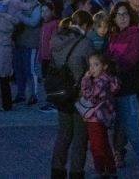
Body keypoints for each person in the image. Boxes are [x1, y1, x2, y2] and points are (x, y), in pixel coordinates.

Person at [106, 1, 139, 178]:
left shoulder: (136, 34)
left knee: (133, 131)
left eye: (125, 14)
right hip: (112, 89)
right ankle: (112, 162)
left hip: (127, 89)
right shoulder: (112, 35)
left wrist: (110, 66)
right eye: (118, 14)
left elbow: (130, 60)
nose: (122, 17)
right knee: (116, 128)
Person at [50, 10, 95, 179]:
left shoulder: (57, 38)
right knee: (79, 137)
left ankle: (57, 169)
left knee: (63, 134)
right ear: (85, 25)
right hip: (79, 94)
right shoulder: (85, 43)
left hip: (61, 92)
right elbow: (91, 68)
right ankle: (76, 172)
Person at [78, 53, 120, 179]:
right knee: (104, 144)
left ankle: (100, 171)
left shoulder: (101, 81)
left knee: (96, 146)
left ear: (105, 66)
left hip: (96, 117)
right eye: (90, 65)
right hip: (101, 116)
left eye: (96, 65)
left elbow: (89, 95)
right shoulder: (106, 79)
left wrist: (85, 79)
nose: (92, 68)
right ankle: (110, 170)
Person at [38, 2, 60, 113]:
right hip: (44, 56)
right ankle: (49, 100)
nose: (44, 13)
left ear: (52, 11)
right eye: (42, 11)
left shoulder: (55, 23)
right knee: (46, 80)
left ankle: (53, 102)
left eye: (46, 10)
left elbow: (53, 41)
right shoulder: (44, 24)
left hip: (51, 57)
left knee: (52, 81)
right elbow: (42, 42)